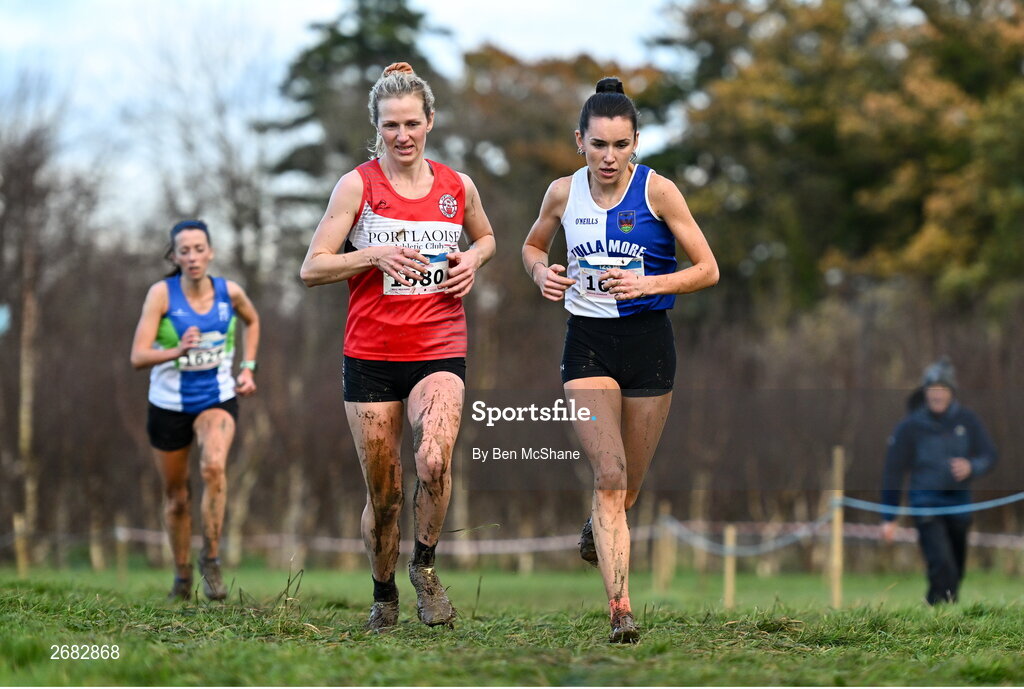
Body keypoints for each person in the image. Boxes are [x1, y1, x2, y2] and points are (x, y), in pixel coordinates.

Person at [300, 62, 496, 632]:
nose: (402, 135)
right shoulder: (358, 185)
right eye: (391, 125)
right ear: (377, 126)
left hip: (438, 346)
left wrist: (472, 261)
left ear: (430, 122)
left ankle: (426, 570)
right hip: (371, 357)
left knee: (434, 457)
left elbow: (485, 236)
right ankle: (383, 594)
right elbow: (312, 267)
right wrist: (373, 255)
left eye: (412, 122)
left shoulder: (457, 187)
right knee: (383, 497)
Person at [522, 78, 718, 643]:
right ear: (578, 141)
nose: (609, 157)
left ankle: (598, 529)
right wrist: (542, 273)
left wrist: (648, 283)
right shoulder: (562, 193)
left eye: (621, 145)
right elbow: (533, 246)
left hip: (649, 342)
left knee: (628, 490)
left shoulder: (660, 193)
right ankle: (621, 612)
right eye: (599, 144)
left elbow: (707, 268)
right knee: (608, 476)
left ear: (636, 143)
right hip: (586, 343)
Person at [130, 219, 260, 601]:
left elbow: (253, 321)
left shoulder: (230, 293)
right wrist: (176, 351)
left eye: (198, 249)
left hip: (217, 398)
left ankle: (213, 559)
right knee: (177, 497)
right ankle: (182, 576)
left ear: (211, 252)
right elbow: (138, 356)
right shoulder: (161, 295)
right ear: (174, 256)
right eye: (183, 251)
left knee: (214, 467)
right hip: (168, 405)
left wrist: (248, 368)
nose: (192, 257)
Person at [881, 356, 997, 604]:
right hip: (926, 503)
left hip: (959, 504)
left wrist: (972, 466)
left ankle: (934, 607)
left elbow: (990, 455)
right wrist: (889, 517)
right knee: (942, 565)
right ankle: (943, 620)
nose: (937, 394)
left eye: (942, 389)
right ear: (924, 392)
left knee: (955, 568)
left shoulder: (968, 421)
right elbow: (893, 471)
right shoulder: (910, 427)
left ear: (952, 392)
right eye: (932, 389)